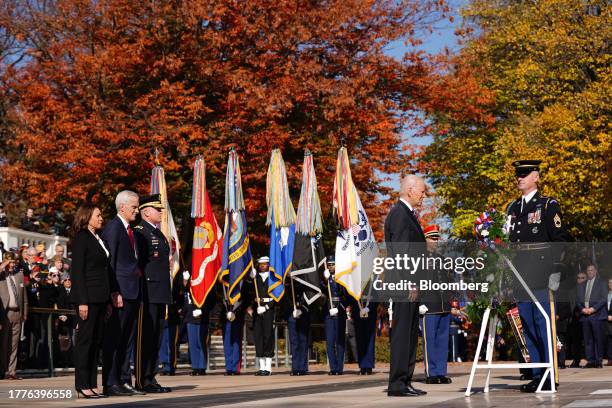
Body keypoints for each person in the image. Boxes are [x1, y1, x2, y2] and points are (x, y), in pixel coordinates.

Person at [507, 160, 571, 392]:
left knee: (543, 324)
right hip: (520, 276)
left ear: (536, 177)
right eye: (518, 174)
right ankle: (537, 374)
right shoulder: (513, 208)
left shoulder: (547, 206)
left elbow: (560, 240)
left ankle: (550, 374)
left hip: (542, 275)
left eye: (525, 174)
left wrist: (556, 270)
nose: (520, 178)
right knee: (528, 326)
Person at [70, 203, 122, 399]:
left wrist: (109, 299)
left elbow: (105, 271)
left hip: (100, 299)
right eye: (98, 215)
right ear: (87, 216)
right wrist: (82, 301)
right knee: (85, 342)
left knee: (95, 343)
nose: (101, 218)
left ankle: (91, 384)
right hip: (88, 299)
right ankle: (82, 384)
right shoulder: (82, 238)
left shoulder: (98, 238)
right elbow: (78, 272)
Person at [385, 174, 428, 397]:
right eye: (421, 191)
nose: (423, 196)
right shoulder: (400, 214)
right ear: (410, 190)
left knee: (410, 333)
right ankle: (397, 383)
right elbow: (402, 251)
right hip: (404, 283)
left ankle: (405, 381)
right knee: (403, 334)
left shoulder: (406, 214)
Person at [102, 190, 143, 396]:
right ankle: (111, 382)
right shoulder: (113, 228)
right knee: (115, 339)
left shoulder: (129, 230)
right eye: (134, 207)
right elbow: (110, 263)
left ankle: (124, 379)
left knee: (127, 340)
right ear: (122, 207)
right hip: (120, 293)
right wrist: (114, 291)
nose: (137, 210)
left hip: (133, 292)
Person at [133, 194, 172, 393]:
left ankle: (150, 377)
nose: (160, 213)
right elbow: (139, 265)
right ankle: (141, 379)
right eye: (157, 209)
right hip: (147, 292)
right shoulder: (140, 232)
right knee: (145, 338)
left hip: (160, 292)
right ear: (146, 212)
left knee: (155, 338)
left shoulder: (158, 233)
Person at [419, 225, 452, 384]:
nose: (436, 241)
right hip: (428, 306)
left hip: (444, 306)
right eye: (432, 238)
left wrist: (452, 305)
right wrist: (419, 302)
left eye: (437, 238)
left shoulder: (443, 259)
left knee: (442, 341)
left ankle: (441, 372)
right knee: (430, 341)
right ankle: (431, 373)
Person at [0, 252, 28, 380]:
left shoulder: (19, 275)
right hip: (5, 313)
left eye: (13, 262)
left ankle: (12, 371)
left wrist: (24, 313)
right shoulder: (1, 275)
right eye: (9, 262)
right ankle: (3, 370)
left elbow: (24, 297)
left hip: (18, 313)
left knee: (14, 344)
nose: (12, 265)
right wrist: (2, 266)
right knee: (4, 343)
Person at [576, 264, 607, 368]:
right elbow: (578, 300)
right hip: (585, 315)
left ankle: (598, 361)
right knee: (588, 340)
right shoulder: (582, 285)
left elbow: (603, 299)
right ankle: (590, 360)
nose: (589, 272)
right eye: (588, 270)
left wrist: (593, 309)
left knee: (598, 339)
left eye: (591, 270)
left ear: (595, 271)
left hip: (597, 315)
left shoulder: (601, 283)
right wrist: (582, 309)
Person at [249, 256, 275, 376]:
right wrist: (249, 278)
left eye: (265, 264)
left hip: (268, 310)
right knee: (258, 337)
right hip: (257, 310)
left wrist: (266, 307)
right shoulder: (255, 278)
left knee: (268, 337)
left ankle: (268, 368)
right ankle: (261, 367)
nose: (262, 266)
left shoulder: (273, 278)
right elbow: (249, 293)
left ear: (269, 264)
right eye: (261, 264)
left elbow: (277, 296)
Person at [323, 255, 347, 375]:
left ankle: (339, 367)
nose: (330, 266)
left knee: (340, 341)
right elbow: (322, 293)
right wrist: (324, 280)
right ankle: (333, 368)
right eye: (329, 265)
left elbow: (346, 295)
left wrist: (339, 308)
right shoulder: (325, 279)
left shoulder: (342, 277)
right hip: (328, 311)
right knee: (330, 341)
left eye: (332, 264)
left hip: (339, 311)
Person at [607, 277, 612, 366]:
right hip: (607, 320)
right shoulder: (606, 294)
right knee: (609, 340)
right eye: (609, 283)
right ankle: (610, 358)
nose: (611, 284)